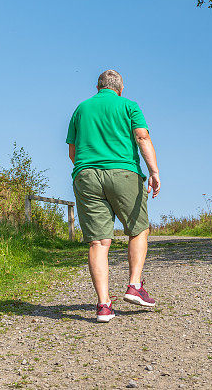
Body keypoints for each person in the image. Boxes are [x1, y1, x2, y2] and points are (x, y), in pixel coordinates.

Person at [66, 69, 160, 323]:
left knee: (98, 242)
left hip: (86, 174)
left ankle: (104, 306)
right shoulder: (128, 105)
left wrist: (86, 170)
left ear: (98, 87)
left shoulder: (81, 109)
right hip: (124, 173)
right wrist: (153, 171)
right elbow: (142, 137)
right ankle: (134, 286)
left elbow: (73, 151)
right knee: (138, 229)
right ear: (120, 88)